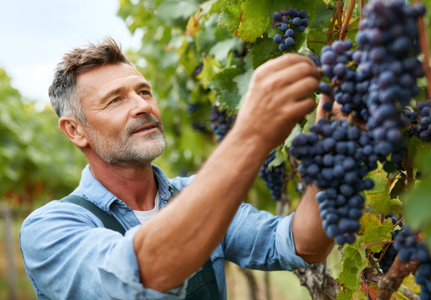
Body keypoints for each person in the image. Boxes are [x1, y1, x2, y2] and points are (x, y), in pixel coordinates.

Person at [20, 37, 334, 299]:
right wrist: (250, 136)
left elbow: (303, 243)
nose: (143, 105)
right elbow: (142, 274)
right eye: (115, 100)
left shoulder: (195, 194)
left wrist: (332, 148)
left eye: (144, 92)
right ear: (75, 130)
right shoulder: (49, 230)